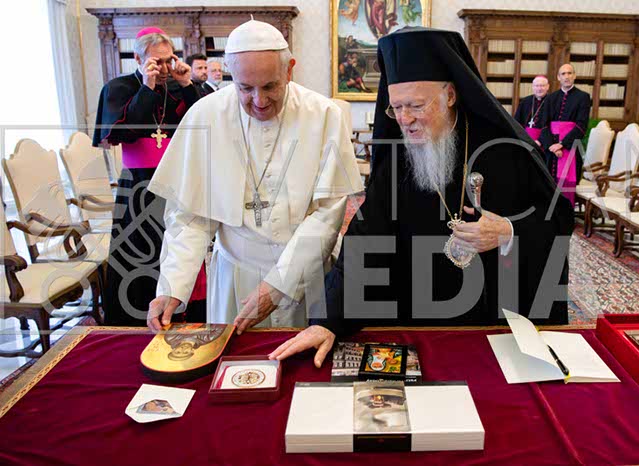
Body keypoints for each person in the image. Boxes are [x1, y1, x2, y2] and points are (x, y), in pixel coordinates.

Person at [268, 27, 574, 367]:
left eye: (416, 105)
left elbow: (558, 219)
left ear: (450, 95)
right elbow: (366, 239)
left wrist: (508, 231)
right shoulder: (398, 157)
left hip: (493, 319)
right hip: (416, 316)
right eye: (396, 107)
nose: (405, 119)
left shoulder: (507, 150)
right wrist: (328, 320)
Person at [146, 19, 364, 332]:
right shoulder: (206, 115)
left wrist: (280, 283)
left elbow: (327, 214)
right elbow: (191, 216)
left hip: (306, 273)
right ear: (231, 74)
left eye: (270, 86)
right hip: (236, 276)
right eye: (245, 88)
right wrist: (172, 285)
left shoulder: (323, 115)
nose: (259, 101)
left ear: (289, 70)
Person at [93, 27, 207, 326]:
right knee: (140, 251)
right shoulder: (119, 87)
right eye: (157, 61)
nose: (165, 68)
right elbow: (124, 131)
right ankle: (135, 317)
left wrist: (186, 84)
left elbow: (201, 120)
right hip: (138, 185)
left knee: (180, 244)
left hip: (177, 181)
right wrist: (147, 86)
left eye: (169, 60)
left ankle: (184, 312)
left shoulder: (178, 87)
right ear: (138, 59)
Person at [538, 64, 591, 206]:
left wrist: (562, 144)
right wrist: (551, 145)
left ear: (574, 76)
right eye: (563, 74)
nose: (566, 77)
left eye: (569, 73)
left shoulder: (583, 97)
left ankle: (565, 215)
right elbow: (544, 125)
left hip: (571, 148)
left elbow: (581, 126)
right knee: (548, 184)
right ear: (558, 77)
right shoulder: (550, 98)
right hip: (551, 151)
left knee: (566, 188)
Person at [513, 75, 549, 142]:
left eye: (542, 86)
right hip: (525, 139)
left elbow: (551, 126)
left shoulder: (551, 101)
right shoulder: (525, 101)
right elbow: (517, 122)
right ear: (532, 87)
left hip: (544, 140)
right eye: (536, 86)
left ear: (547, 87)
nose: (539, 89)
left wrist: (541, 140)